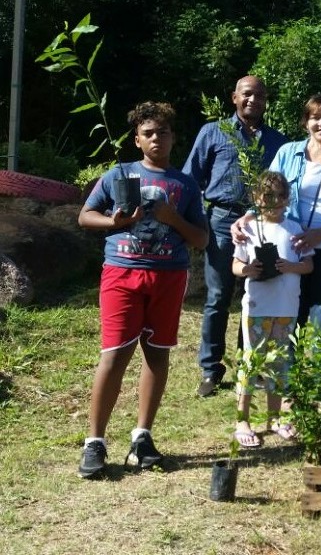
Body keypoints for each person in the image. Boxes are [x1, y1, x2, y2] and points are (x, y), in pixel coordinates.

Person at [77, 102, 209, 478]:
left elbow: (201, 239)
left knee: (157, 353)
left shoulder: (185, 185)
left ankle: (142, 437)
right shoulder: (119, 174)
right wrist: (113, 221)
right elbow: (85, 216)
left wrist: (172, 218)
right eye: (149, 133)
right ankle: (95, 443)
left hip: (169, 275)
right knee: (115, 354)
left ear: (173, 138)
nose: (156, 138)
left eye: (163, 132)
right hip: (123, 271)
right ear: (137, 140)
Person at [184, 75, 287, 398]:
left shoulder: (277, 141)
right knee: (217, 297)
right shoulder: (214, 132)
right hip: (221, 220)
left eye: (259, 95)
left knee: (252, 295)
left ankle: (250, 364)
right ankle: (211, 370)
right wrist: (198, 220)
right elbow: (191, 179)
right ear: (234, 97)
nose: (252, 100)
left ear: (266, 100)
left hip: (260, 224)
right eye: (247, 94)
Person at [232, 94, 321, 336]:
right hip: (289, 250)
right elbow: (267, 190)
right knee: (288, 319)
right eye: (315, 117)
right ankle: (282, 373)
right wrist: (247, 218)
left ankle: (315, 374)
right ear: (306, 122)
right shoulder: (287, 152)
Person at [231, 171, 314, 448]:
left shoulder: (294, 228)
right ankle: (242, 419)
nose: (275, 201)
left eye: (281, 196)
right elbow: (235, 265)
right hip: (257, 307)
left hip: (287, 307)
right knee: (252, 362)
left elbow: (308, 264)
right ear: (257, 198)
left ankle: (275, 417)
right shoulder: (250, 229)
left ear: (288, 199)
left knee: (280, 364)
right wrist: (248, 270)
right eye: (268, 196)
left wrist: (291, 266)